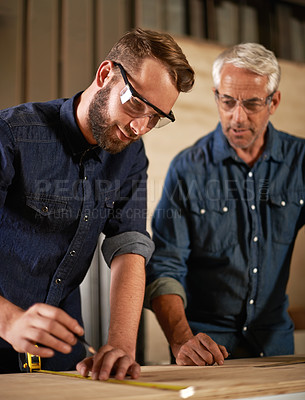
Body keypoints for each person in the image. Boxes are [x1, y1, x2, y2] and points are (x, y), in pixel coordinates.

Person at [0, 28, 194, 378]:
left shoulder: (131, 156)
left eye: (156, 118)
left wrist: (121, 344)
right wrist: (9, 318)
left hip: (63, 356)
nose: (139, 127)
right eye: (136, 104)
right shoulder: (13, 134)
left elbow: (129, 246)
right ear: (105, 74)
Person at [145, 42, 305, 366]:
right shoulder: (187, 169)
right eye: (228, 102)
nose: (237, 117)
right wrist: (181, 339)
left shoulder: (300, 161)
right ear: (216, 96)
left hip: (275, 348)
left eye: (252, 104)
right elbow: (165, 264)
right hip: (205, 350)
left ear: (273, 101)